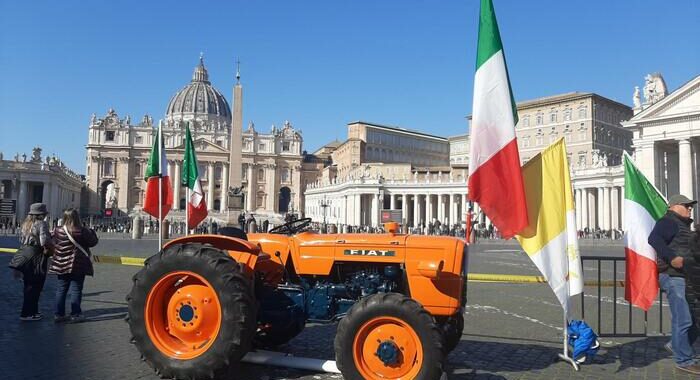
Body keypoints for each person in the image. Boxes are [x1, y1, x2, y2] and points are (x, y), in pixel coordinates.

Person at [648, 194, 699, 374]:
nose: (690, 208)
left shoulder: (682, 225)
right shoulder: (668, 222)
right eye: (687, 206)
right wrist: (672, 257)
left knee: (693, 318)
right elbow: (654, 239)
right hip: (672, 276)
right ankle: (684, 360)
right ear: (675, 206)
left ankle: (676, 345)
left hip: (684, 276)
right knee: (683, 318)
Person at [49, 208, 98, 323]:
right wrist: (92, 231)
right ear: (77, 218)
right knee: (76, 289)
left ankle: (58, 314)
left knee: (61, 289)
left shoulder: (58, 230)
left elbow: (53, 242)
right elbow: (93, 242)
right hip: (78, 264)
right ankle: (75, 314)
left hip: (61, 263)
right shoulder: (82, 231)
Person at [15, 203, 53, 321]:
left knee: (28, 285)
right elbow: (44, 241)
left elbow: (21, 239)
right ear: (42, 214)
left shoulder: (25, 224)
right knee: (36, 285)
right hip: (37, 256)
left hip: (26, 255)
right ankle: (27, 313)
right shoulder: (42, 224)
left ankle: (33, 311)